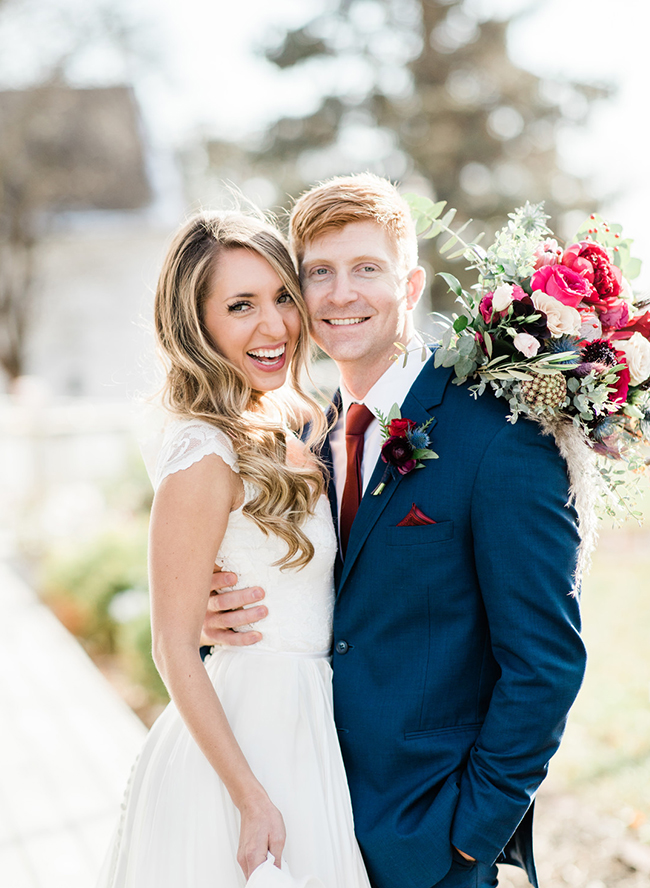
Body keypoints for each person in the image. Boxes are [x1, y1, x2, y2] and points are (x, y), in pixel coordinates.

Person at [203, 174, 587, 888]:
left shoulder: (499, 437)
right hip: (298, 819)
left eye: (366, 269)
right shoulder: (302, 437)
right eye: (319, 272)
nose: (341, 294)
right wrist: (214, 614)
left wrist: (470, 836)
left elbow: (545, 663)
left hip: (427, 840)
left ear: (410, 287)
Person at [96, 211, 371, 888]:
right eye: (240, 305)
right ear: (197, 324)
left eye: (282, 296)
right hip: (245, 742)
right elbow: (172, 645)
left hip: (311, 719)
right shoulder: (203, 450)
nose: (273, 326)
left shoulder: (298, 424)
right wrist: (249, 798)